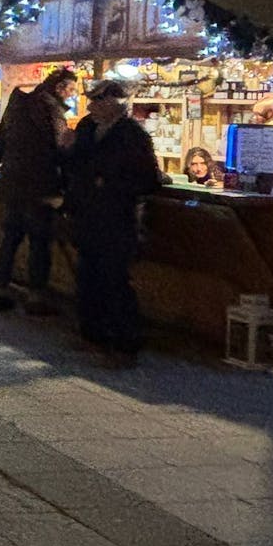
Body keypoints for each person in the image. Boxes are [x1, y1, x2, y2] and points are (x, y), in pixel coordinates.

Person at [65, 80, 164, 366]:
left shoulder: (132, 135)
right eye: (91, 102)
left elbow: (148, 180)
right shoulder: (86, 129)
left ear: (115, 104)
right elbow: (75, 167)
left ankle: (125, 342)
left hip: (116, 219)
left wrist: (108, 184)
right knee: (88, 276)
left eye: (97, 101)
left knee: (115, 280)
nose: (91, 106)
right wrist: (68, 151)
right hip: (88, 217)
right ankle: (93, 334)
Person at [0, 68, 78, 315]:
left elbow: (0, 143)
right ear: (60, 87)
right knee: (39, 243)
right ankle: (35, 296)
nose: (71, 96)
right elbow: (62, 148)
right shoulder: (52, 109)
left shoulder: (16, 106)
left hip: (13, 185)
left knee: (11, 238)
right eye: (70, 90)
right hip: (41, 187)